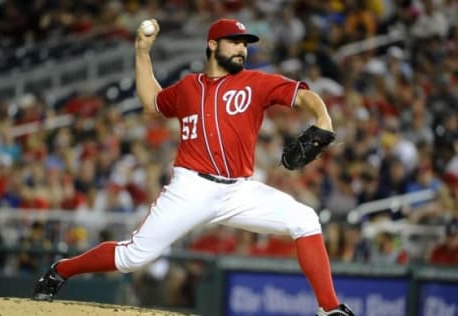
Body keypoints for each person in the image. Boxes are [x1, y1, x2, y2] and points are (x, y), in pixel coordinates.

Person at [32, 18, 355, 316]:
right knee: (133, 258)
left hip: (239, 190)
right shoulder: (188, 88)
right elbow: (152, 101)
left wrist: (323, 117)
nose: (242, 48)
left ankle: (329, 308)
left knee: (305, 219)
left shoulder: (256, 83)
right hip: (191, 188)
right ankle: (62, 269)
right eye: (234, 41)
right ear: (213, 45)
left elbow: (304, 96)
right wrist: (142, 52)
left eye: (245, 43)